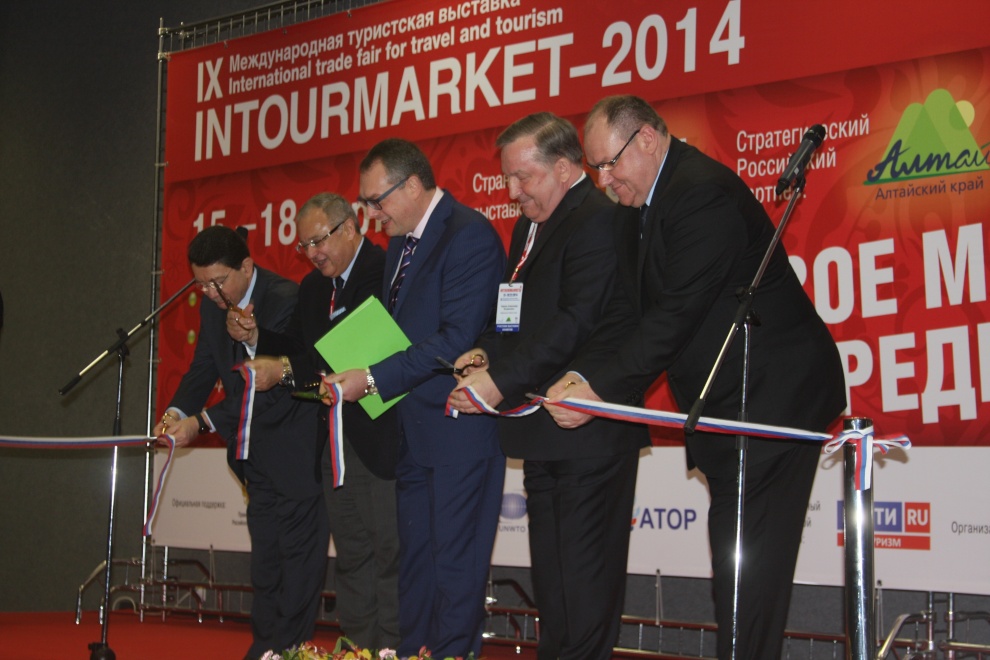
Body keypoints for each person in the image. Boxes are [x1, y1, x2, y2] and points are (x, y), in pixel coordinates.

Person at [545, 95, 847, 659]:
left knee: (747, 570)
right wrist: (583, 375)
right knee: (737, 565)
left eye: (610, 164)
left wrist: (600, 392)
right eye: (596, 168)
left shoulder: (700, 193)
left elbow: (673, 318)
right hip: (726, 403)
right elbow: (632, 314)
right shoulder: (635, 206)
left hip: (771, 397)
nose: (604, 181)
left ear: (647, 139)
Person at [446, 112, 649, 660]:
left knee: (584, 589)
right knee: (555, 592)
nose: (512, 192)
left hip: (588, 433)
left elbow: (573, 323)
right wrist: (486, 352)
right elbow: (513, 314)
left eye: (523, 177)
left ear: (563, 168)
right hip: (542, 431)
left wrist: (499, 381)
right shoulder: (528, 226)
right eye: (507, 178)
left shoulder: (598, 219)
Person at [324, 138, 507, 658]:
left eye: (376, 200)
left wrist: (372, 378)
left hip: (458, 432)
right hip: (411, 434)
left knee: (455, 570)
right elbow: (401, 336)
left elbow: (455, 339)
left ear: (411, 185)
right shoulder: (402, 245)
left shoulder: (468, 235)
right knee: (417, 570)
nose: (371, 214)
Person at [232, 193, 401, 650]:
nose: (312, 253)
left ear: (350, 227)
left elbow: (358, 351)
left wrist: (287, 369)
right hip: (333, 440)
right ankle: (360, 650)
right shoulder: (312, 288)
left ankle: (393, 651)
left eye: (319, 241)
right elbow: (303, 351)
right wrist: (260, 340)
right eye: (304, 245)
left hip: (382, 436)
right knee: (351, 556)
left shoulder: (386, 270)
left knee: (390, 554)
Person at [160, 225, 329, 660]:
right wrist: (177, 412)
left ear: (247, 267)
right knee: (266, 566)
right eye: (201, 285)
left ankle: (288, 652)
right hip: (253, 457)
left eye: (218, 282)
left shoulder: (286, 298)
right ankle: (265, 650)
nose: (210, 293)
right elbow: (203, 368)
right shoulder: (212, 305)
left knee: (297, 568)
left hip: (295, 454)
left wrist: (201, 422)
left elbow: (271, 388)